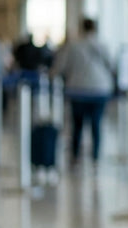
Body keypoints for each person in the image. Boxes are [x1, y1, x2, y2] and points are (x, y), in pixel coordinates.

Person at [50, 18, 116, 166]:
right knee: (96, 124)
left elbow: (60, 67)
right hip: (99, 90)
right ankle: (96, 156)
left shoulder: (73, 45)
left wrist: (52, 75)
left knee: (77, 124)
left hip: (78, 90)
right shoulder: (102, 45)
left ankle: (75, 155)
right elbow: (111, 65)